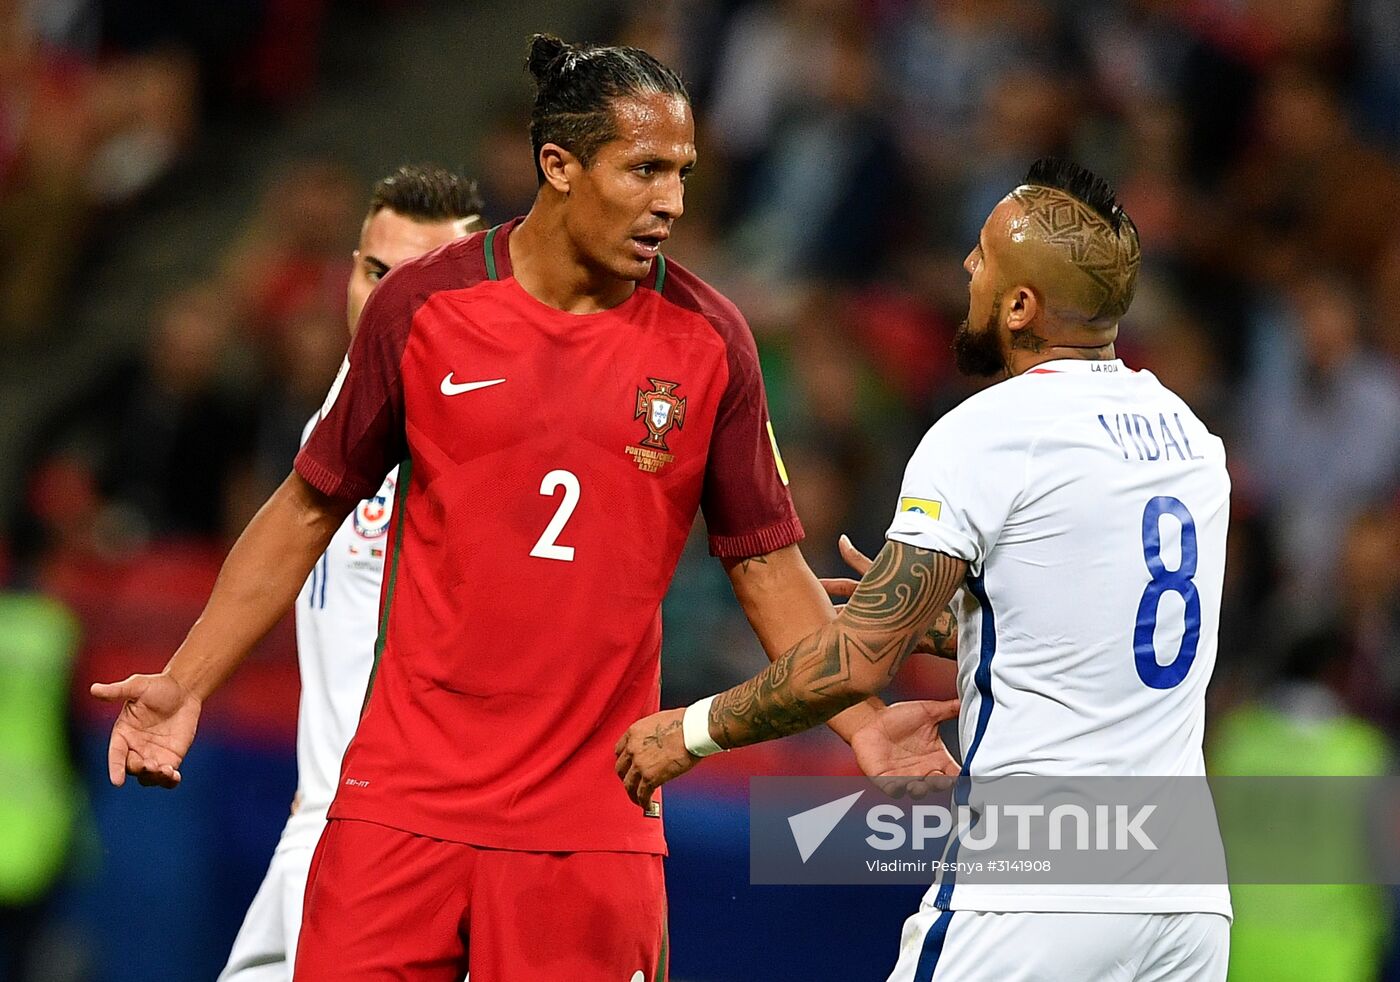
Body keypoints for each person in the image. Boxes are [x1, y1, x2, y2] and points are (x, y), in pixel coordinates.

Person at [91, 35, 958, 982]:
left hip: (591, 824)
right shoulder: (423, 309)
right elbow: (306, 507)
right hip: (400, 805)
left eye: (682, 172)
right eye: (644, 170)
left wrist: (863, 721)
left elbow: (764, 565)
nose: (671, 200)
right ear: (559, 165)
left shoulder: (712, 342)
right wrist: (187, 679)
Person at [617, 158, 1233, 981]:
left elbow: (857, 660)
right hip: (1186, 885)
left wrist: (691, 731)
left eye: (982, 258)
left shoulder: (987, 432)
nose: (965, 271)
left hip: (1038, 881)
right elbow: (1126, 628)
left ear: (1022, 306)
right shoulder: (1193, 440)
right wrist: (961, 622)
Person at [217, 166, 485, 982]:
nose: (382, 300)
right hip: (315, 831)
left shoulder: (485, 445)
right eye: (373, 271)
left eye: (414, 279)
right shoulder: (337, 409)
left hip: (408, 856)